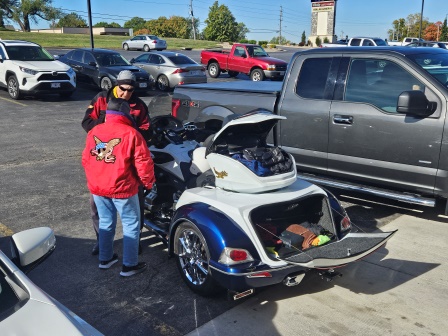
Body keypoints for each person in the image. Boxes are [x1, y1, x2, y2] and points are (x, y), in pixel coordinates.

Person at [82, 98, 155, 277]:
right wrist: (148, 183)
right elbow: (143, 163)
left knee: (106, 222)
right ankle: (129, 265)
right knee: (131, 223)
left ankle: (105, 259)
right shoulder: (131, 133)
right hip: (123, 187)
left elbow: (86, 159)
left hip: (99, 187)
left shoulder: (94, 131)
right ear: (126, 114)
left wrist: (95, 179)